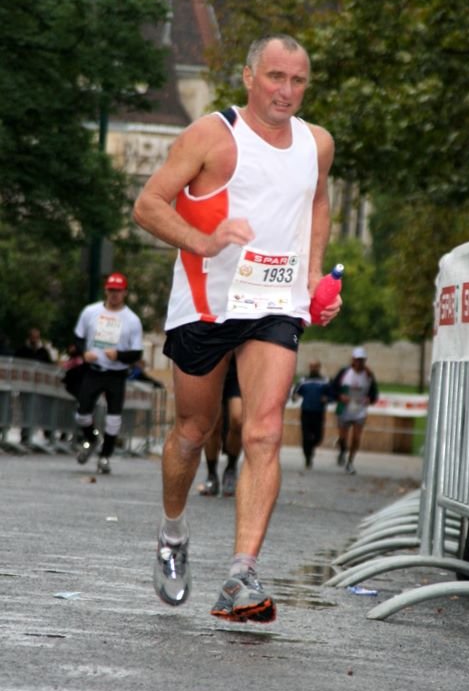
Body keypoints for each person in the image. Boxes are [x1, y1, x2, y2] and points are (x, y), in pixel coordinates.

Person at [133, 33, 339, 624]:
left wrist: (316, 276)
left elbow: (316, 201)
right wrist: (204, 240)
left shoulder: (316, 144)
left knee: (265, 430)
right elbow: (149, 204)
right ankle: (173, 532)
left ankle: (241, 574)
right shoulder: (212, 136)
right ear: (249, 77)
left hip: (275, 305)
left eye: (298, 81)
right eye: (276, 77)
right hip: (206, 307)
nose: (287, 91)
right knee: (195, 431)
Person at [72, 272, 143, 475]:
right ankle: (92, 438)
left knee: (113, 419)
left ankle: (105, 456)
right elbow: (78, 337)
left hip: (116, 374)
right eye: (111, 290)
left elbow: (137, 352)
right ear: (106, 290)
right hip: (94, 370)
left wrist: (119, 355)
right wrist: (84, 353)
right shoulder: (90, 312)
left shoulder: (132, 320)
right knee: (82, 414)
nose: (114, 295)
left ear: (125, 293)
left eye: (118, 291)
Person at [199, 354, 242, 497]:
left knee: (237, 419)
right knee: (213, 425)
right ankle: (212, 475)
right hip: (214, 361)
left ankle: (230, 469)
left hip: (239, 365)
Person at [331, 347, 379, 475]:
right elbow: (333, 388)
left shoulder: (368, 375)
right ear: (353, 360)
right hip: (345, 409)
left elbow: (374, 394)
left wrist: (370, 399)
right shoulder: (344, 372)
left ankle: (350, 462)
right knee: (343, 437)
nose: (359, 362)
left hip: (359, 409)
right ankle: (342, 450)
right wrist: (340, 396)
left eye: (362, 360)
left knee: (356, 438)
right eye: (357, 360)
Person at [14, 328, 53, 445]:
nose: (34, 339)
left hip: (40, 388)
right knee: (26, 411)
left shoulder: (43, 352)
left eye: (36, 337)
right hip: (25, 387)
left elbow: (49, 368)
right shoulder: (22, 351)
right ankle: (25, 435)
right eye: (33, 337)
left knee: (40, 411)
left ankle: (44, 434)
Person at [291, 360, 330, 469]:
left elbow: (331, 394)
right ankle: (308, 456)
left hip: (319, 412)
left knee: (318, 437)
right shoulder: (303, 380)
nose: (313, 369)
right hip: (306, 411)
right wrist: (295, 397)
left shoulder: (325, 381)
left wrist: (327, 399)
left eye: (315, 367)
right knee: (306, 435)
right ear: (309, 367)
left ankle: (312, 447)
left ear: (319, 367)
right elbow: (295, 393)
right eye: (312, 367)